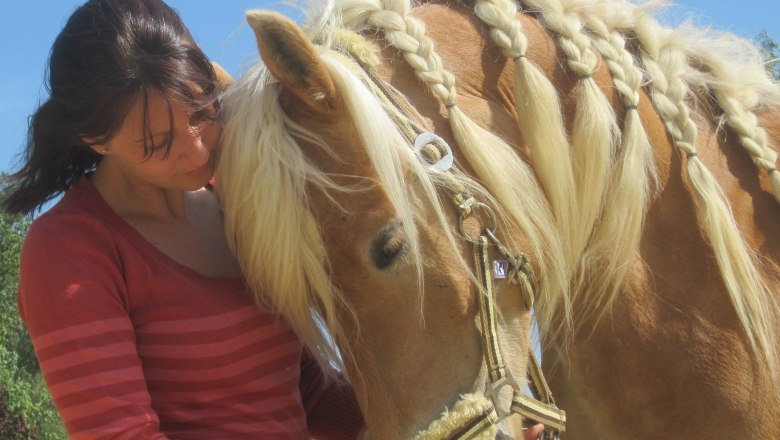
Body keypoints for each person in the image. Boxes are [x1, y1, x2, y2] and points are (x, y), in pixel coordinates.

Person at [0, 0, 363, 438]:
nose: (197, 150)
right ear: (97, 139)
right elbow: (121, 434)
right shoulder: (69, 249)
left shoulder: (235, 204)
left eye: (202, 113)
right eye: (157, 143)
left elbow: (306, 391)